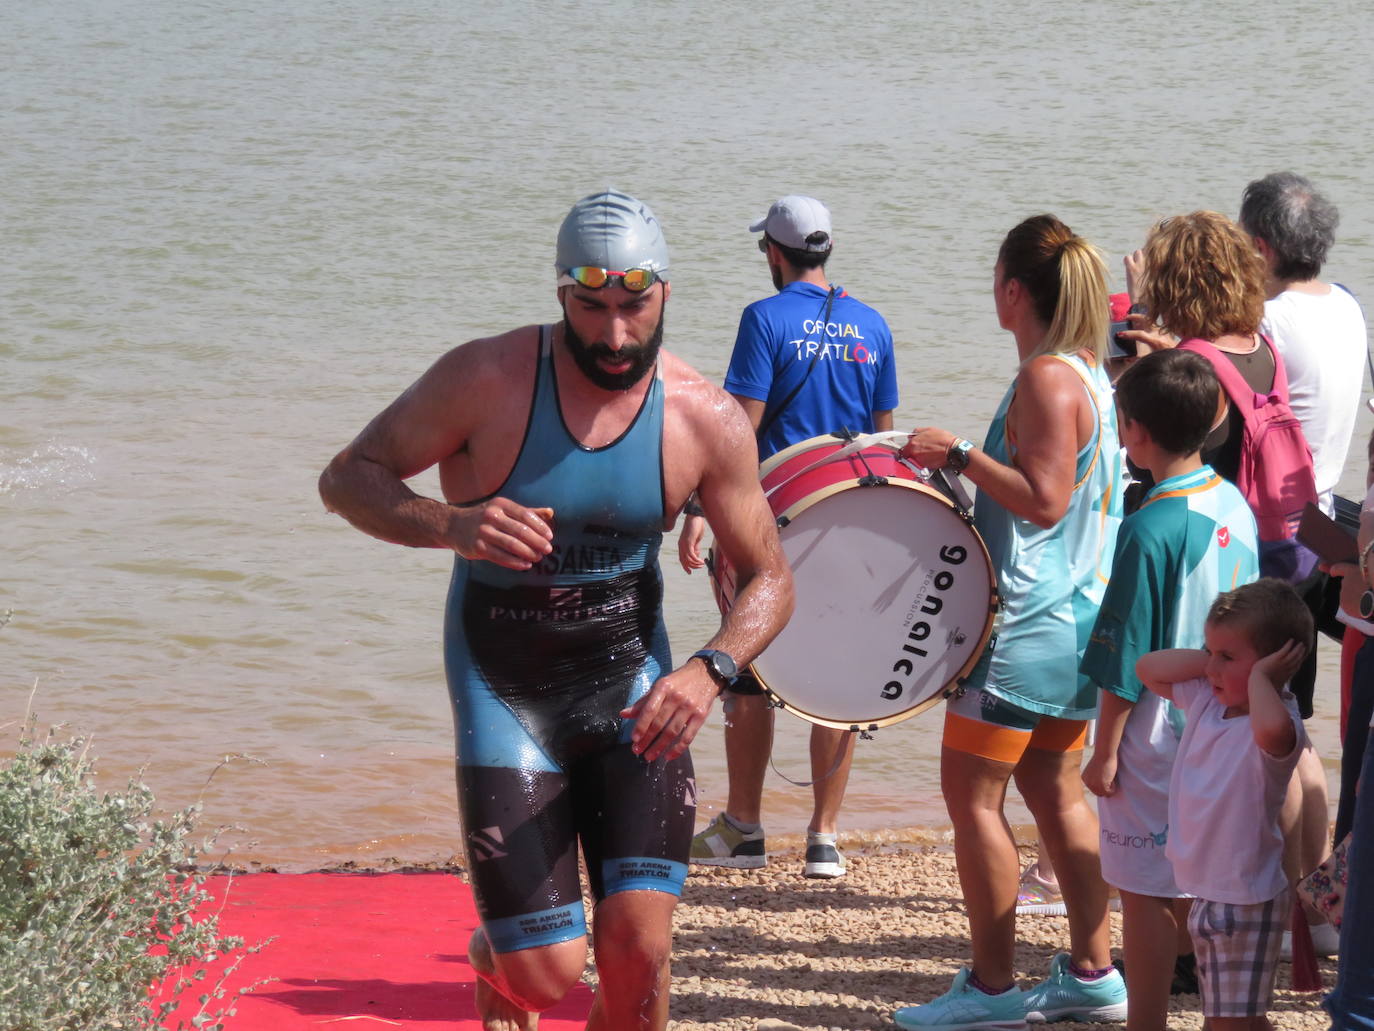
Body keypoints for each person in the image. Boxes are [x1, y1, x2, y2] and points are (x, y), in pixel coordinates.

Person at [317, 189, 794, 1031]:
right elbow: (348, 475)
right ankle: (496, 955)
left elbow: (772, 578)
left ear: (667, 295)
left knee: (638, 951)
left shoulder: (706, 419)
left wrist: (708, 670)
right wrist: (452, 525)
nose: (614, 334)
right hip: (507, 689)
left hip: (637, 686)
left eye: (633, 306)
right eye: (592, 306)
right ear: (561, 294)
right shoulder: (485, 379)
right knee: (544, 976)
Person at [892, 214, 1127, 1029]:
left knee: (974, 799)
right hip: (1077, 622)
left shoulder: (1045, 380)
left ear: (1014, 289)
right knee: (1054, 790)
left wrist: (956, 452)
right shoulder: (1090, 371)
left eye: (995, 278)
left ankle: (991, 990)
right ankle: (1095, 973)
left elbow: (1045, 498)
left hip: (1025, 629)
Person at [1128, 209, 1333, 957]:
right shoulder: (1261, 347)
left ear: (1176, 279)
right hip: (1290, 554)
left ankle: (1230, 907)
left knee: (1224, 744)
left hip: (1227, 564)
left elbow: (1172, 451)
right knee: (1290, 736)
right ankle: (1311, 897)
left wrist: (1151, 370)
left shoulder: (1196, 361)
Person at [680, 194, 899, 879]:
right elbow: (885, 436)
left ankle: (744, 826)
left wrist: (698, 509)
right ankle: (824, 838)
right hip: (851, 515)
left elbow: (736, 428)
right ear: (824, 250)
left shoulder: (763, 319)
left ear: (774, 253)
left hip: (769, 516)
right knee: (836, 674)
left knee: (745, 664)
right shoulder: (872, 324)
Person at [1081, 348, 1260, 1031]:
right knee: (1197, 875)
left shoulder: (1148, 527)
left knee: (1145, 886)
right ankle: (1224, 1009)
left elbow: (1126, 653)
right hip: (1225, 716)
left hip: (1159, 733)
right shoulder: (1232, 502)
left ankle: (1146, 1020)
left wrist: (1105, 750)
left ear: (1134, 432)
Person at [1240, 173, 1367, 959]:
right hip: (1320, 527)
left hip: (1272, 540)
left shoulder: (1268, 322)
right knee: (1295, 725)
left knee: (1265, 730)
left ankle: (1287, 896)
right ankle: (1317, 901)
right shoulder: (1348, 304)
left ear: (1260, 247)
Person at [1136, 579, 1314, 1031]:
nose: (1212, 668)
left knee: (1233, 1023)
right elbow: (1148, 668)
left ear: (1275, 665)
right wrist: (1217, 660)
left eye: (1227, 657)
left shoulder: (1275, 720)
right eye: (1209, 651)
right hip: (1208, 891)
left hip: (1246, 897)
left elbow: (1273, 734)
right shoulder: (1206, 704)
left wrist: (1259, 680)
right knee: (1232, 1020)